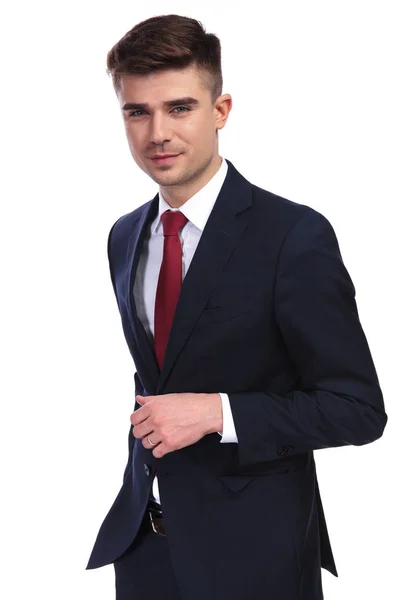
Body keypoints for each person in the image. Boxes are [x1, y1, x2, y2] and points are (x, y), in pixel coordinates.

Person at [86, 14, 388, 600]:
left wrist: (217, 413)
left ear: (220, 110)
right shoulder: (125, 235)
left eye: (179, 108)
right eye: (137, 111)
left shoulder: (293, 236)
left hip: (256, 558)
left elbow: (357, 409)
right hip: (146, 551)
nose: (157, 134)